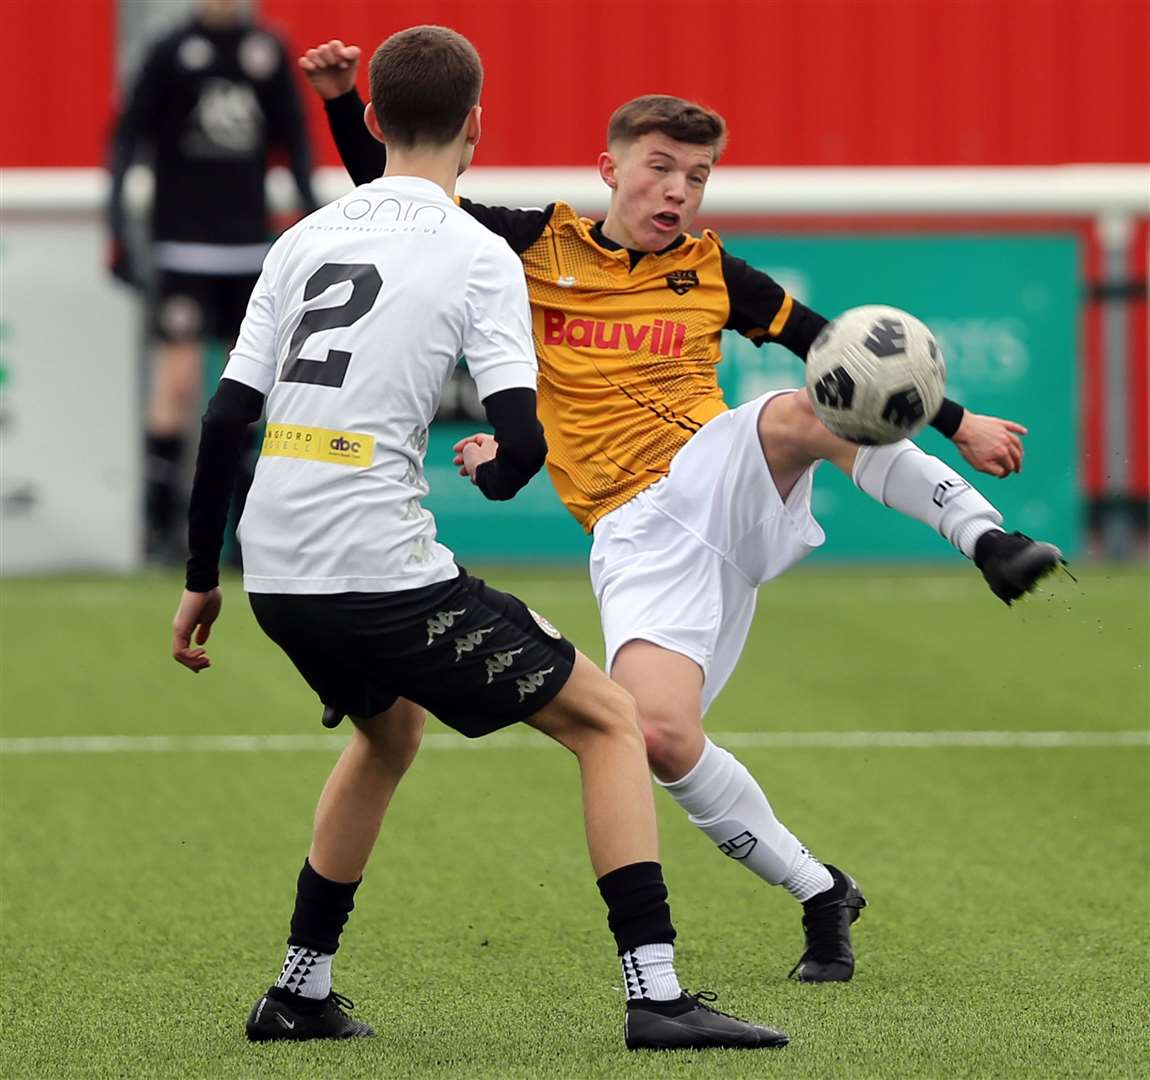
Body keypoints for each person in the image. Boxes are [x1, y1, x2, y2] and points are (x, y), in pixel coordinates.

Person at [300, 38, 1066, 986]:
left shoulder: (716, 275)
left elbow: (845, 361)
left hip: (716, 473)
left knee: (804, 410)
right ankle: (821, 889)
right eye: (659, 169)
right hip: (634, 535)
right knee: (657, 738)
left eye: (696, 177)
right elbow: (401, 187)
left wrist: (960, 424)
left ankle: (990, 539)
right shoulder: (540, 244)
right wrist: (343, 102)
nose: (676, 192)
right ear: (609, 168)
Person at [170, 25, 790, 1051]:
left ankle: (298, 988)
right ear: (476, 126)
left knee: (389, 730)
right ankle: (656, 994)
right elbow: (520, 436)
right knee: (610, 723)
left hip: (273, 564)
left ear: (370, 120)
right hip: (378, 568)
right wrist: (500, 475)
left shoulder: (305, 238)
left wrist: (201, 576)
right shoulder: (471, 249)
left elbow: (225, 417)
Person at [108, 0, 317, 560]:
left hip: (249, 250)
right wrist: (118, 226)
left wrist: (312, 217)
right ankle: (159, 529)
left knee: (245, 389)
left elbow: (294, 140)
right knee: (176, 382)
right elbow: (127, 137)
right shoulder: (170, 51)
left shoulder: (267, 51)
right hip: (183, 247)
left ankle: (243, 529)